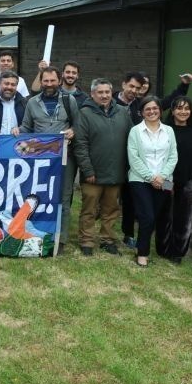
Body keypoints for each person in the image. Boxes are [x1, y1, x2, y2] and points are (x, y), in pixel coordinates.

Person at [15, 66, 80, 250]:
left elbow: (78, 125)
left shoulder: (70, 100)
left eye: (53, 81)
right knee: (39, 196)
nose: (49, 84)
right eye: (46, 81)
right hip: (39, 160)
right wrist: (18, 130)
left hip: (64, 158)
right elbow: (27, 128)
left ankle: (61, 239)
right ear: (41, 82)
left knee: (63, 197)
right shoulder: (32, 102)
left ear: (59, 81)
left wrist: (72, 131)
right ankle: (39, 232)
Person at [73, 78, 133, 256]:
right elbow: (80, 144)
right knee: (89, 210)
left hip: (116, 172)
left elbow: (132, 140)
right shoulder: (84, 114)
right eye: (100, 92)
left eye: (107, 92)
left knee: (111, 210)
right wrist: (87, 170)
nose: (104, 95)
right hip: (93, 174)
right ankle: (87, 241)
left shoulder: (122, 112)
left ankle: (108, 240)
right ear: (92, 94)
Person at [127, 95, 178, 268]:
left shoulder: (169, 131)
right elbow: (133, 158)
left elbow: (173, 156)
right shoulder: (135, 131)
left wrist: (162, 177)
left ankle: (141, 246)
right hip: (139, 179)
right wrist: (151, 177)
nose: (151, 111)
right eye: (147, 109)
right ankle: (143, 254)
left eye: (155, 108)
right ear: (142, 112)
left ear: (160, 110)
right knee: (146, 216)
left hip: (165, 180)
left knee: (152, 217)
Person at [164, 96, 192, 263]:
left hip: (188, 182)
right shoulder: (165, 130)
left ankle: (178, 252)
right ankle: (164, 247)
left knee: (184, 219)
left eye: (186, 108)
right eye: (179, 108)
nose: (183, 112)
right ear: (173, 111)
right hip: (168, 180)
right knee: (167, 215)